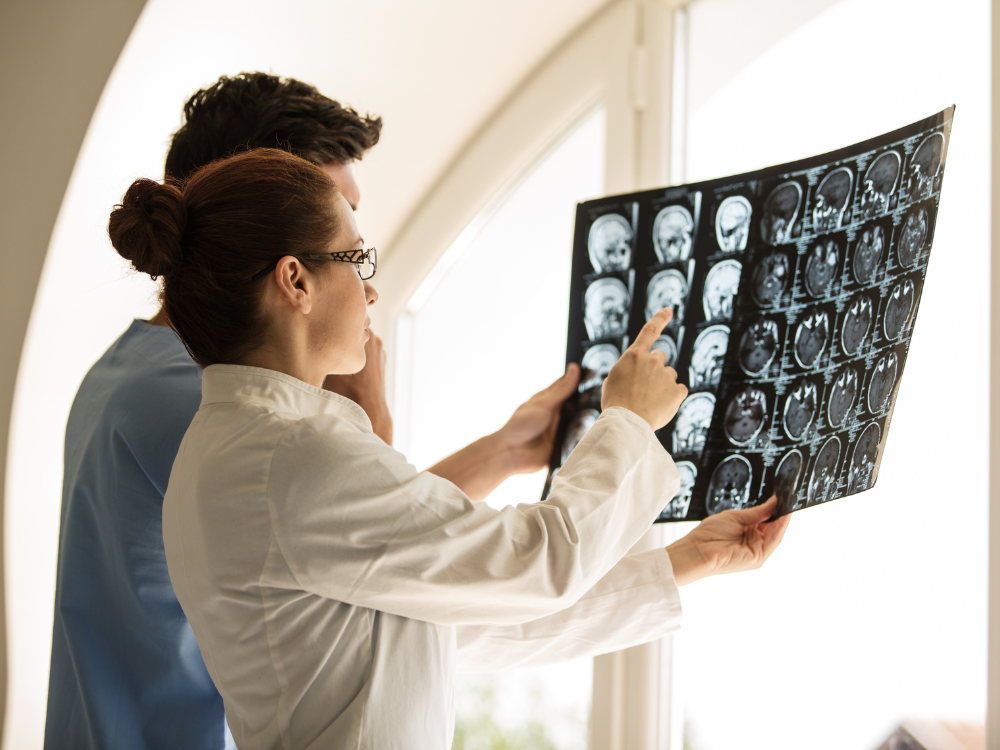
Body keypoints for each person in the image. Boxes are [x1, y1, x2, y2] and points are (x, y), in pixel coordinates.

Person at [109, 147, 790, 749]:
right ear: (296, 281)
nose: (371, 287)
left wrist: (687, 561)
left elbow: (443, 631)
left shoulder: (238, 447)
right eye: (357, 256)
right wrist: (629, 421)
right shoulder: (289, 454)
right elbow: (536, 563)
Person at [43, 73, 384, 750]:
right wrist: (369, 409)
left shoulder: (130, 370)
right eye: (333, 217)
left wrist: (507, 451)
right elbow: (384, 561)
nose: (357, 258)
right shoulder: (197, 401)